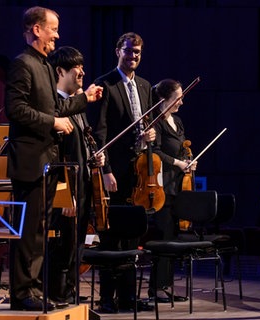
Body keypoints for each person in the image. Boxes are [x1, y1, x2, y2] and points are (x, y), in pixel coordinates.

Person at [5, 6, 102, 311]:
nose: (57, 35)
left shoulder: (46, 66)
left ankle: (32, 289)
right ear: (36, 29)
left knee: (39, 231)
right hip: (30, 161)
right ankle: (22, 293)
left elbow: (57, 110)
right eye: (53, 28)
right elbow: (15, 109)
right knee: (30, 231)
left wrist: (83, 99)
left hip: (47, 162)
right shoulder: (23, 64)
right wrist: (52, 123)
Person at [87, 31, 156, 313]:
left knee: (131, 235)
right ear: (118, 51)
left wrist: (152, 136)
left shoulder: (145, 85)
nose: (133, 56)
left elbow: (148, 125)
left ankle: (127, 297)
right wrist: (106, 170)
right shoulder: (106, 83)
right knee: (111, 234)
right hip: (114, 170)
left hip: (139, 173)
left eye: (137, 52)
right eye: (128, 51)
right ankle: (106, 298)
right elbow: (100, 133)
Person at [46, 45, 105, 307]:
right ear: (60, 71)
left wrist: (95, 156)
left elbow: (80, 147)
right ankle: (58, 297)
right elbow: (56, 158)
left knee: (76, 249)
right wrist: (64, 196)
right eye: (76, 68)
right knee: (62, 250)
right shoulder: (56, 106)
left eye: (82, 66)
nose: (82, 72)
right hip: (66, 195)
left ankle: (68, 295)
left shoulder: (77, 107)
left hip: (81, 190)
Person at [149, 79, 196, 302]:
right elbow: (156, 153)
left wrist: (189, 161)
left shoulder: (177, 121)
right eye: (177, 98)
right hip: (162, 187)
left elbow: (182, 150)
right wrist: (178, 163)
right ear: (163, 99)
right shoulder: (155, 122)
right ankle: (156, 288)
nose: (181, 102)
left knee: (173, 239)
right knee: (163, 237)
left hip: (178, 186)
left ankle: (166, 286)